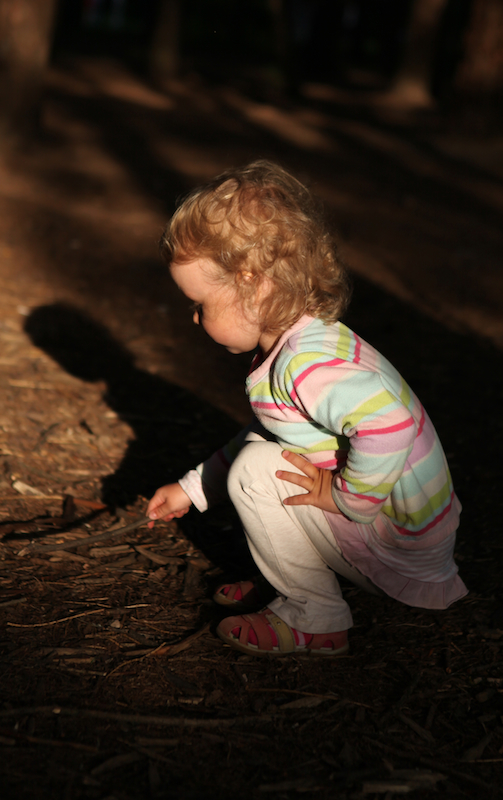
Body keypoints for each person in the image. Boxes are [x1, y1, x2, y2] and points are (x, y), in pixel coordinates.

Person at [147, 160, 467, 657]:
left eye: (200, 304)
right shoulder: (303, 340)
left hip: (396, 545)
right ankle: (292, 573)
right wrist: (195, 487)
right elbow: (273, 432)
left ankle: (313, 615)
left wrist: (349, 499)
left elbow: (391, 424)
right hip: (406, 533)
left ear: (254, 286)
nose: (193, 318)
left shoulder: (305, 363)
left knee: (254, 473)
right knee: (261, 458)